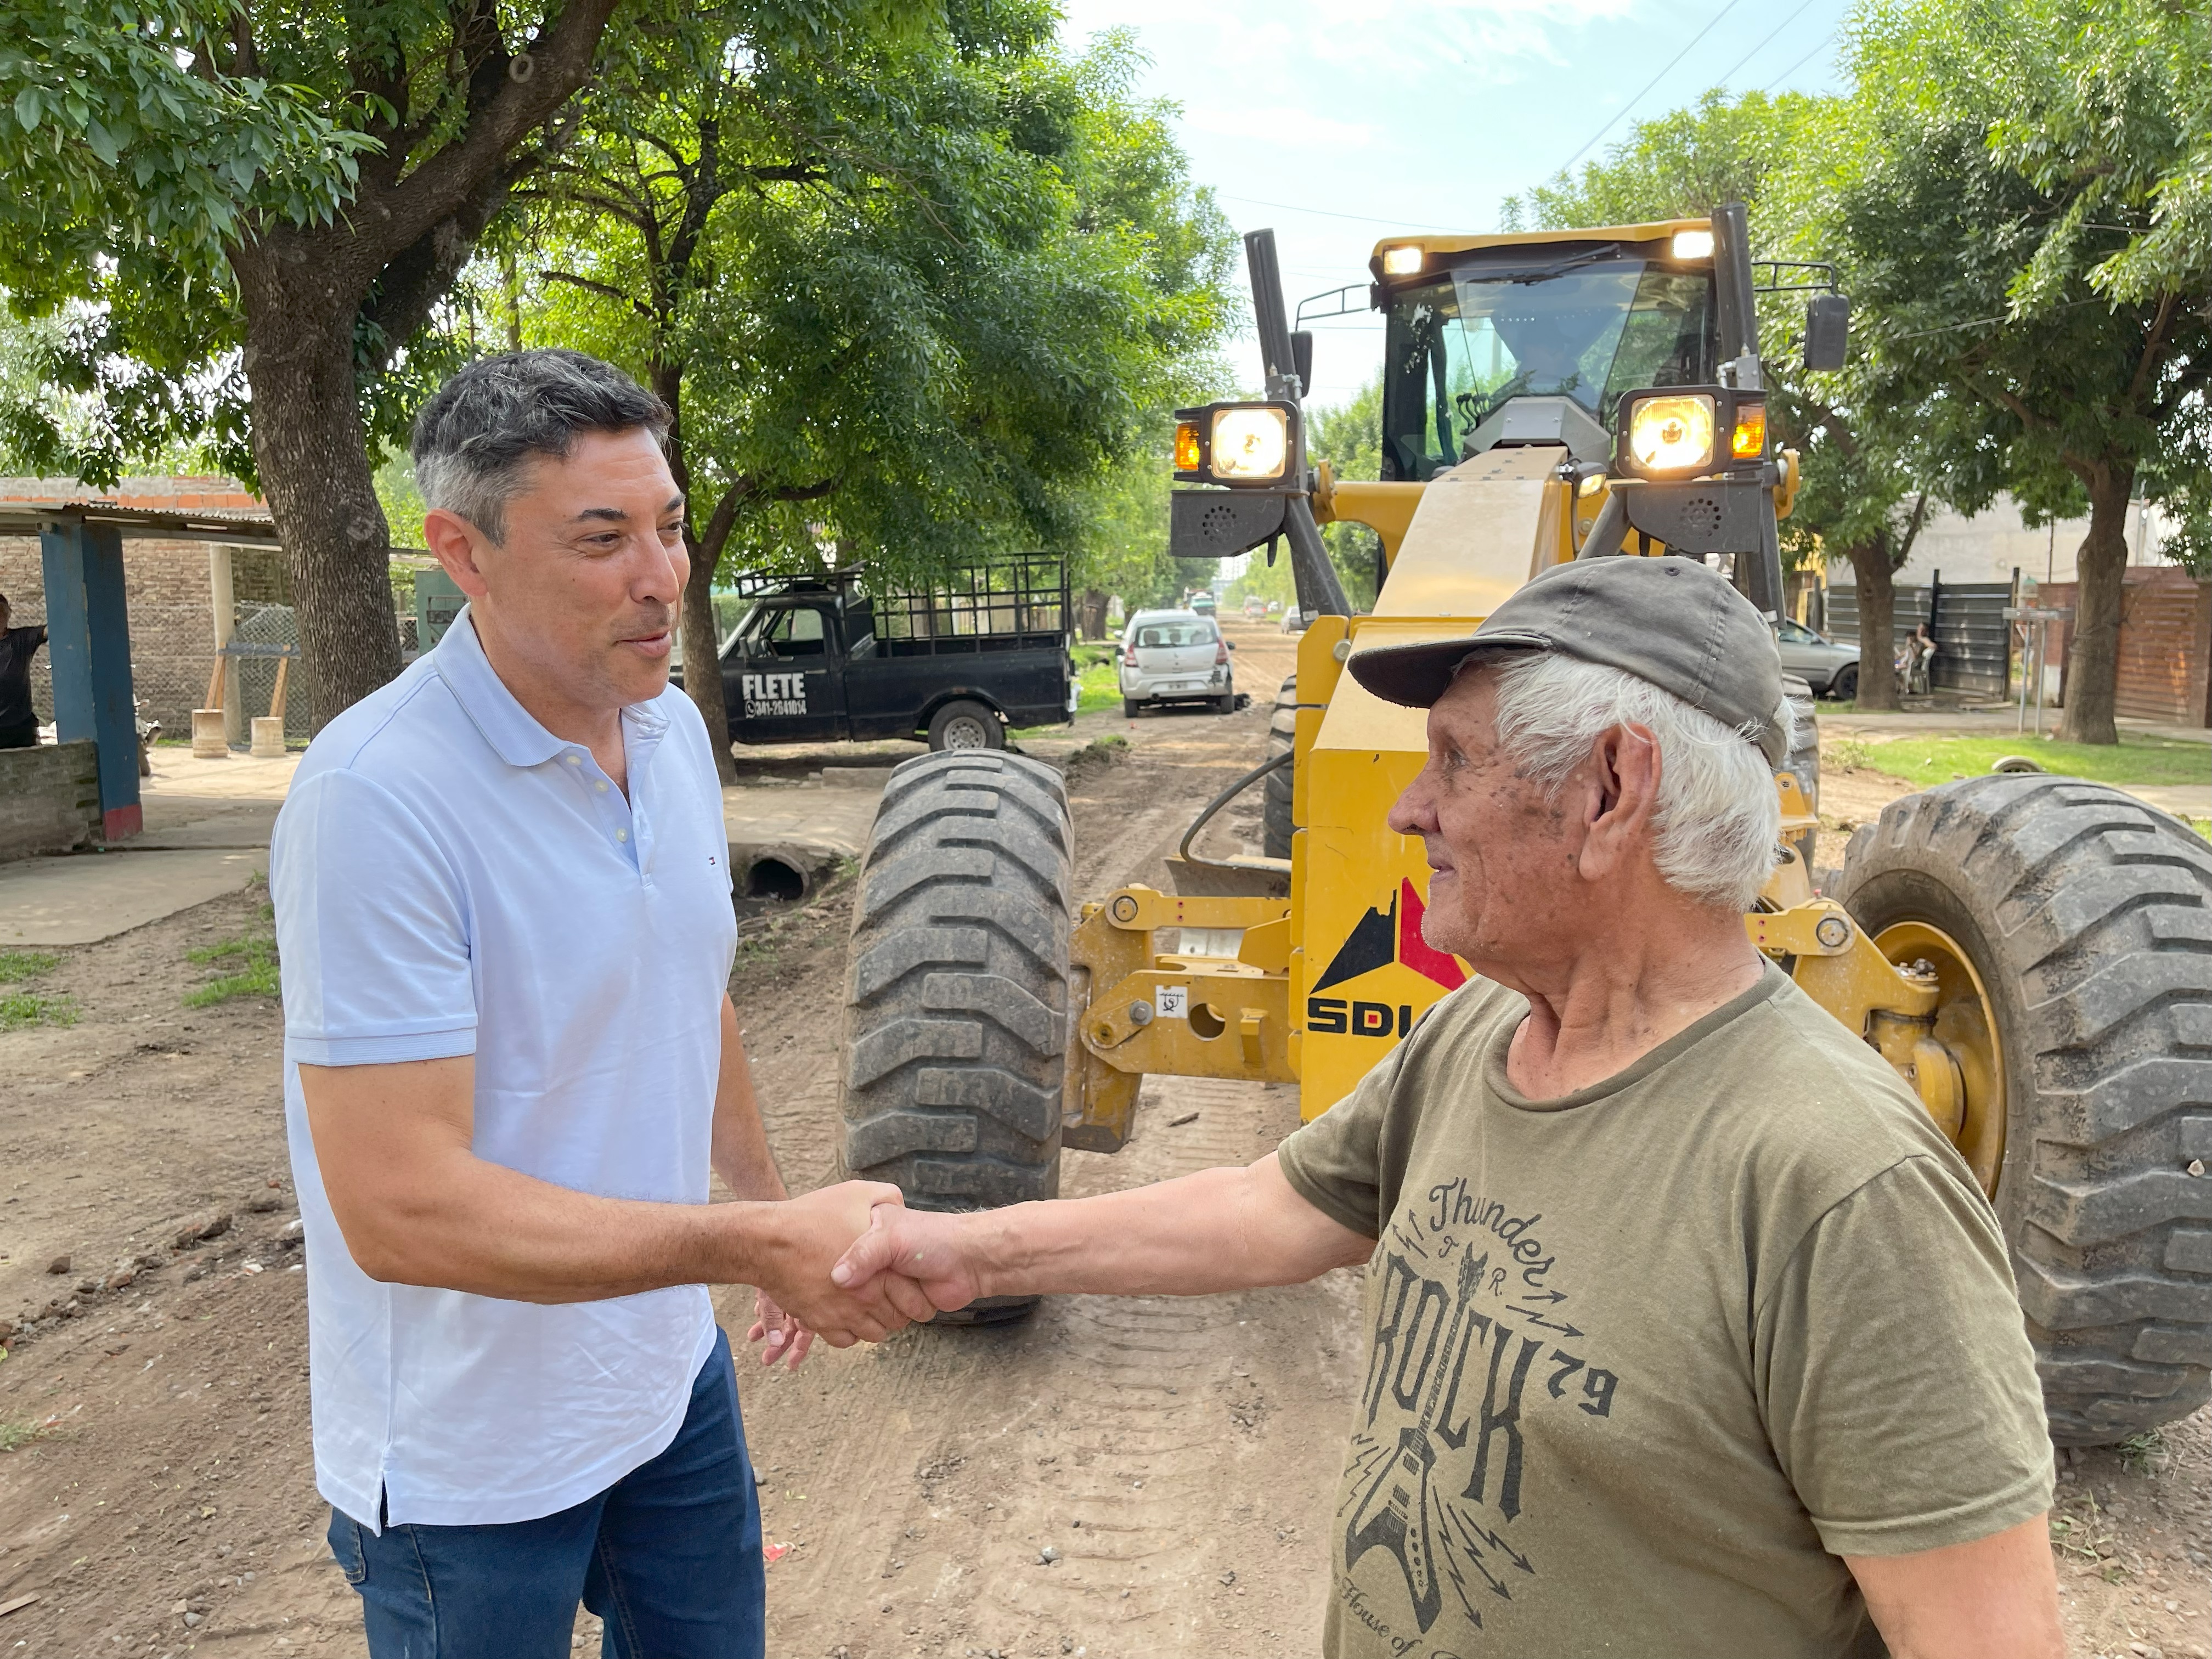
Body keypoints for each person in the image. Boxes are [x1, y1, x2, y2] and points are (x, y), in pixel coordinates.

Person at [830, 556, 2062, 1659]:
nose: (1407, 812)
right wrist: (965, 1249)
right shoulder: (1484, 1030)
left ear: (1611, 790)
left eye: (1455, 763)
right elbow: (1272, 1209)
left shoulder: (1843, 1187)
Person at [269, 349, 929, 1659]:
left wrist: (759, 1204)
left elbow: (692, 993)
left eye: (672, 526)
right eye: (603, 539)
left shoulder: (670, 732)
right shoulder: (378, 803)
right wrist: (754, 1247)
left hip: (667, 1389)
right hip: (475, 1464)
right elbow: (401, 1211)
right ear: (463, 551)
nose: (665, 577)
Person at [0, 591, 48, 748]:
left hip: (21, 727)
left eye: (2, 612)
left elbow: (50, 630)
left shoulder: (22, 640)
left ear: (9, 615)